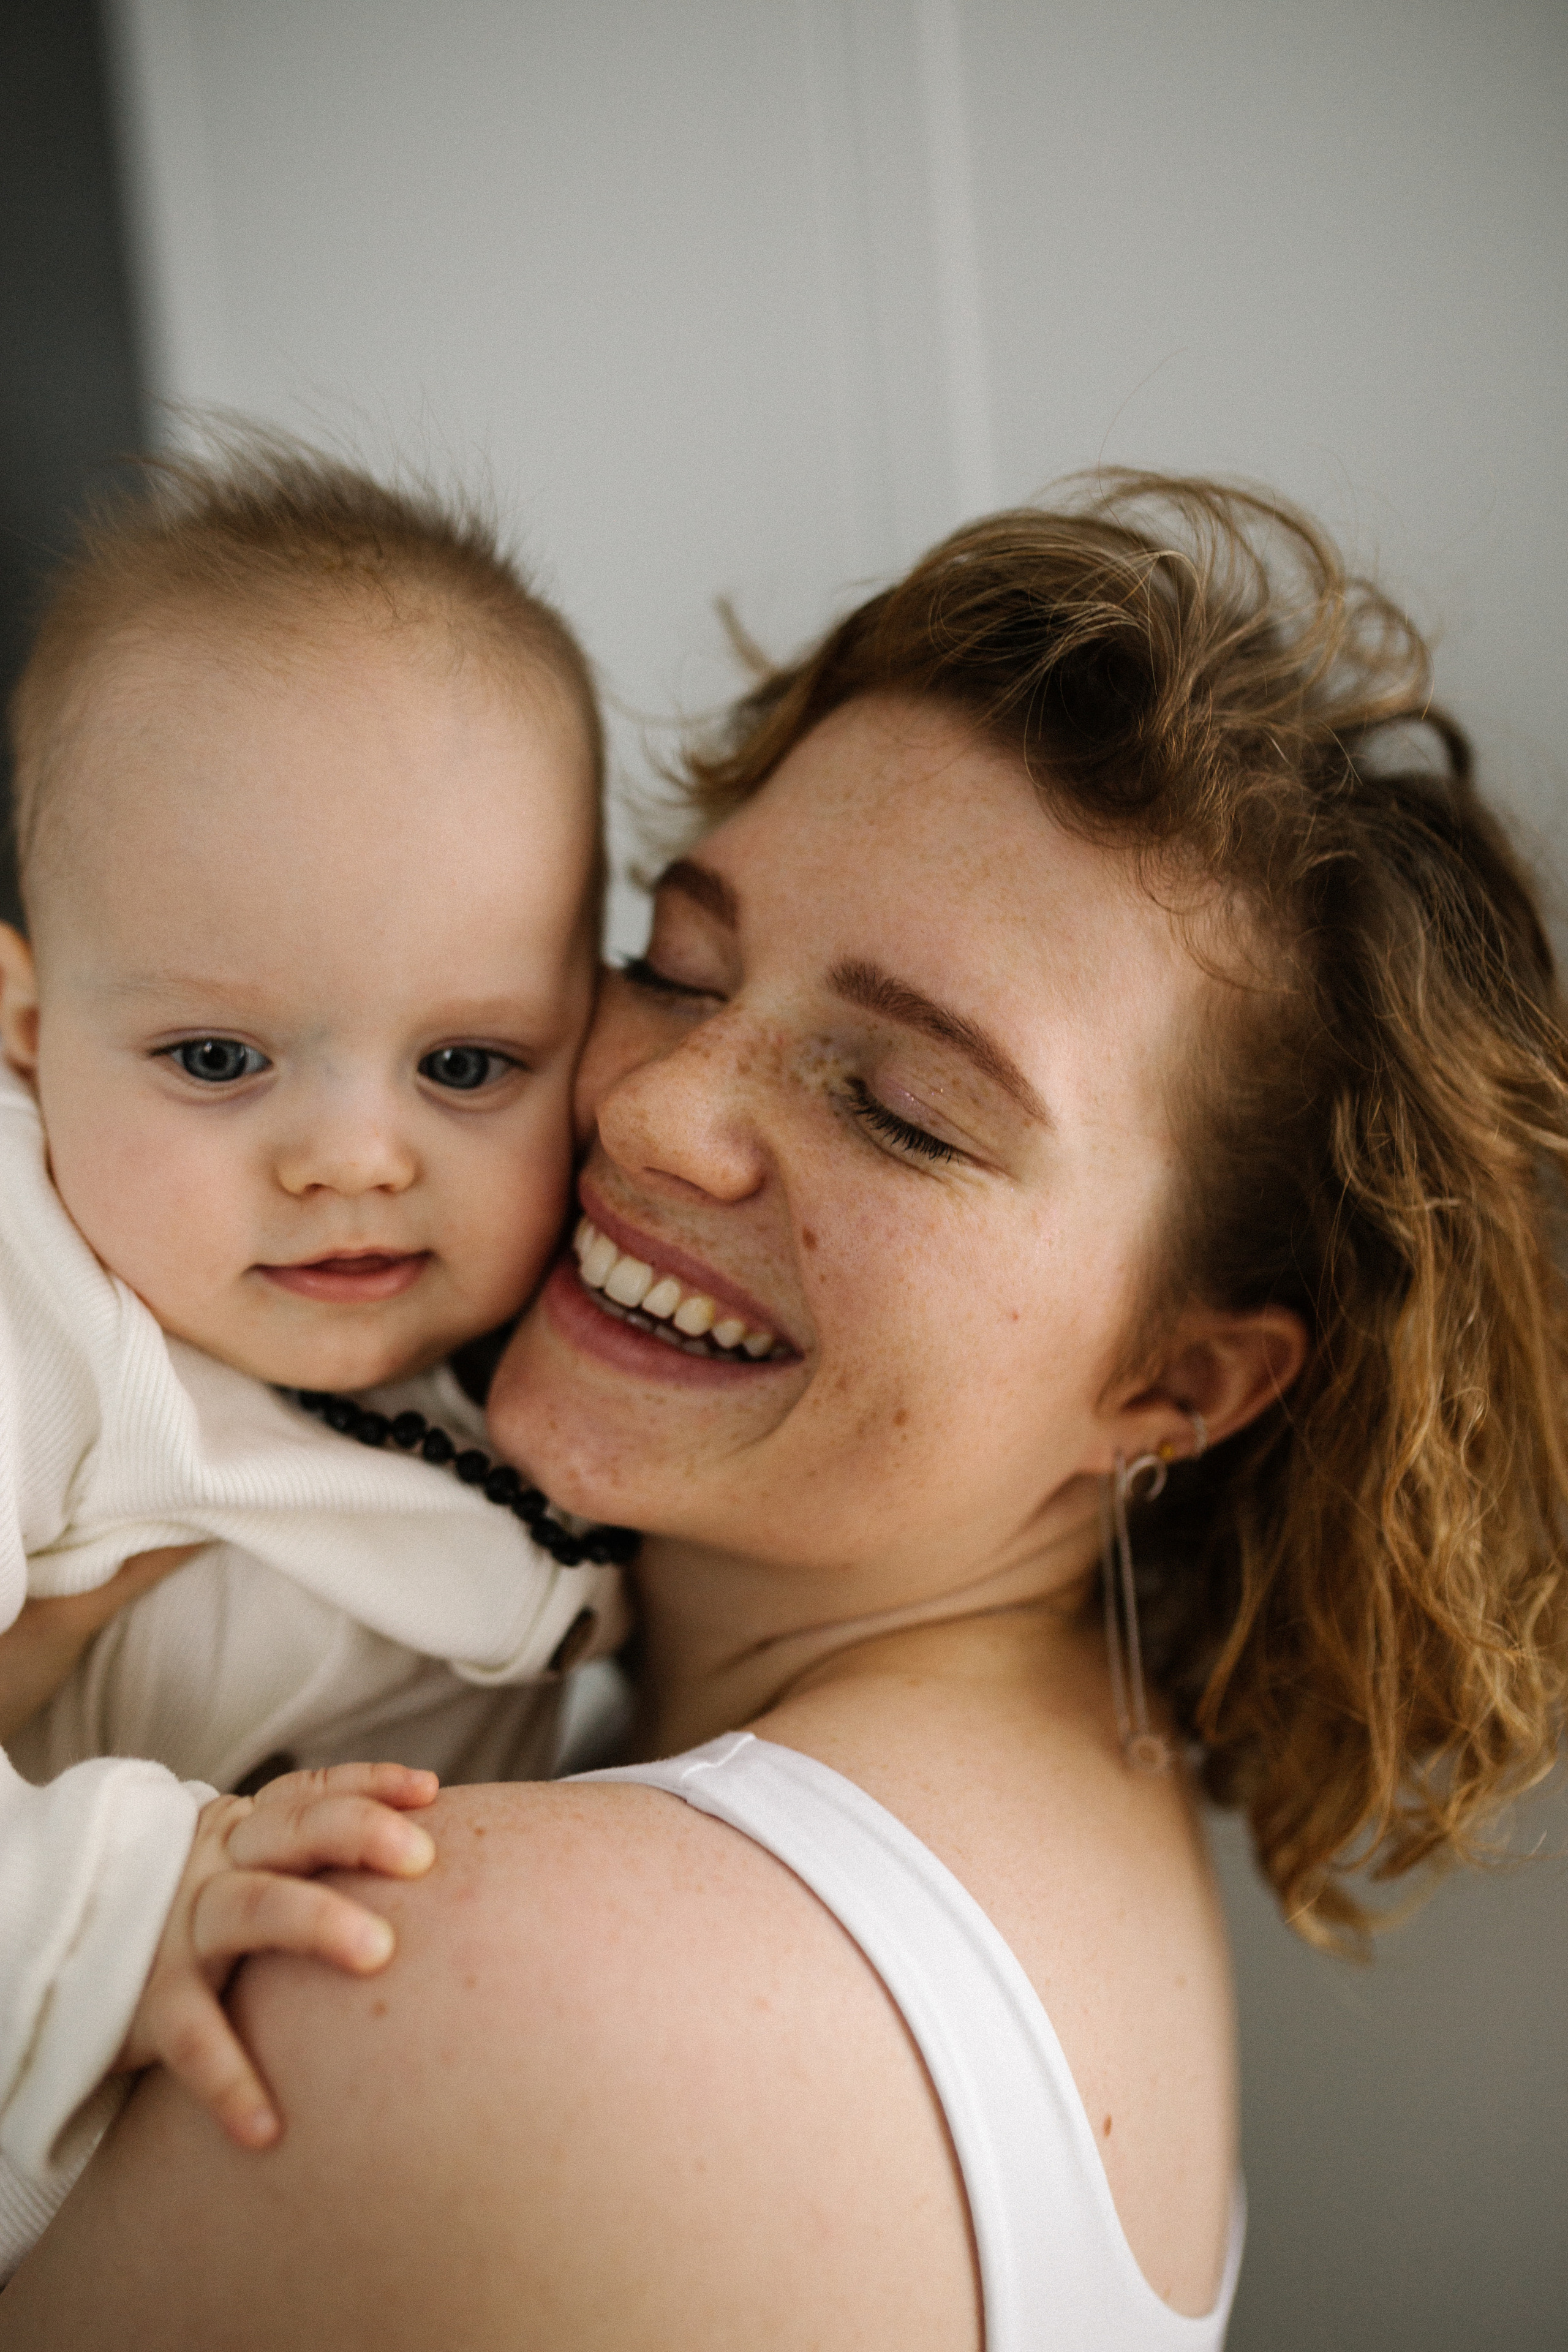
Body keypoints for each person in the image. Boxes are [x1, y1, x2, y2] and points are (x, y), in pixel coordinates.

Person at [6, 474, 1562, 2351]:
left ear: (1179, 1378)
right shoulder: (1051, 1823)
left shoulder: (450, 1973)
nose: (651, 1111)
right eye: (674, 968)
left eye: (902, 1109)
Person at [0, 439, 635, 2267]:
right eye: (217, 1060)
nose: (354, 1158)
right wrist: (116, 1907)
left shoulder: (539, 1339)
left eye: (466, 1066)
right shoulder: (45, 1301)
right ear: (32, 1033)